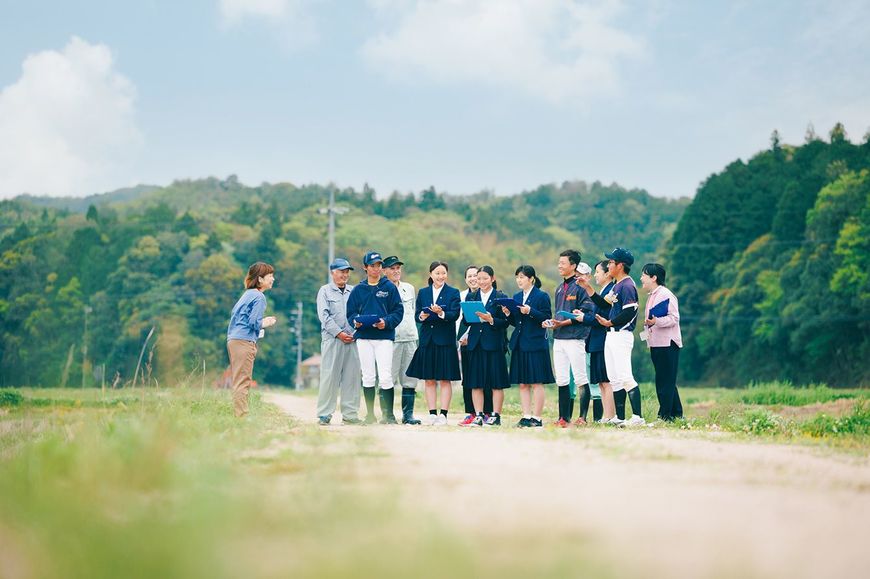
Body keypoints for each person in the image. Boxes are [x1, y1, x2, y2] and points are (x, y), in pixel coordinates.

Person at [346, 251, 404, 424]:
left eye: (379, 265)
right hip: (364, 337)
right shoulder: (358, 289)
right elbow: (350, 313)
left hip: (384, 337)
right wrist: (355, 322)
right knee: (368, 376)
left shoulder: (389, 287)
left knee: (385, 375)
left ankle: (389, 415)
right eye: (372, 265)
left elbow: (398, 311)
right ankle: (370, 415)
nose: (376, 268)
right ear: (365, 267)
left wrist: (385, 322)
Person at [592, 248, 644, 427]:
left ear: (620, 265)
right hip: (611, 335)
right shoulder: (617, 285)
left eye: (612, 262)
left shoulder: (628, 285)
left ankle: (637, 416)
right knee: (614, 379)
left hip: (621, 334)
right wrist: (588, 288)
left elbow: (630, 311)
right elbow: (602, 302)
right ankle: (619, 417)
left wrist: (610, 322)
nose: (609, 265)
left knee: (625, 376)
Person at [407, 261, 462, 425]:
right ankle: (432, 413)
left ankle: (443, 414)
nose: (441, 276)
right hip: (427, 339)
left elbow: (455, 314)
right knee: (429, 379)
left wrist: (441, 312)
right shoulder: (423, 292)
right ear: (431, 274)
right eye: (437, 273)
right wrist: (421, 317)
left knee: (445, 379)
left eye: (443, 273)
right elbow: (416, 314)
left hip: (445, 340)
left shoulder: (453, 292)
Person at [546, 250, 595, 427]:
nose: (559, 266)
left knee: (581, 377)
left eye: (563, 263)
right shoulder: (559, 288)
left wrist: (563, 322)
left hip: (575, 338)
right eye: (558, 263)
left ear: (573, 266)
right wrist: (553, 323)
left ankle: (582, 417)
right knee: (562, 379)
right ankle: (563, 418)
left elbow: (587, 313)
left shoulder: (581, 287)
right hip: (558, 338)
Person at [502, 265, 554, 428]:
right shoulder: (516, 296)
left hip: (536, 343)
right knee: (523, 382)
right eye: (517, 277)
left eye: (522, 277)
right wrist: (508, 314)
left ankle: (537, 418)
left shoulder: (541, 296)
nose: (519, 280)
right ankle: (526, 415)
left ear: (531, 278)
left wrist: (530, 310)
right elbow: (515, 322)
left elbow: (547, 317)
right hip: (519, 342)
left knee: (536, 382)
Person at [459, 265, 510, 426]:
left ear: (492, 279)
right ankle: (479, 414)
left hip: (494, 343)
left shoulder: (500, 297)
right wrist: (470, 314)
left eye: (485, 278)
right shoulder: (471, 297)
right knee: (476, 382)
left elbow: (506, 322)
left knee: (496, 382)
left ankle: (496, 415)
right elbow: (466, 321)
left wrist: (491, 319)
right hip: (476, 343)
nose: (481, 281)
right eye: (478, 278)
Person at [315, 258, 362, 426]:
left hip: (353, 339)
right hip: (333, 339)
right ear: (332, 272)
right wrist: (339, 333)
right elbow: (324, 317)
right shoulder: (325, 291)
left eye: (347, 271)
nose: (345, 274)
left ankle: (350, 414)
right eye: (341, 271)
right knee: (330, 376)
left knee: (352, 377)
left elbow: (360, 312)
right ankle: (324, 414)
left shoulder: (354, 291)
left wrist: (357, 332)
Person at [226, 262, 277, 418]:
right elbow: (253, 322)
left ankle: (240, 415)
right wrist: (266, 322)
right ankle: (241, 417)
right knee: (243, 381)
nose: (273, 279)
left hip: (234, 340)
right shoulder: (259, 297)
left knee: (239, 380)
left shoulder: (247, 294)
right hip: (243, 341)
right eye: (270, 276)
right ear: (260, 279)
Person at [576, 260, 618, 424]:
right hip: (595, 340)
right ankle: (606, 416)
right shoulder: (603, 291)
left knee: (606, 380)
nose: (595, 275)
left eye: (598, 272)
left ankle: (610, 416)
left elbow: (602, 318)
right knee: (601, 381)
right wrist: (582, 314)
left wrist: (583, 318)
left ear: (608, 273)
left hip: (602, 339)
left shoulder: (610, 291)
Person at [640, 263, 684, 421]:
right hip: (656, 343)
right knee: (666, 379)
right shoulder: (652, 295)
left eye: (644, 275)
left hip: (667, 343)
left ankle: (664, 416)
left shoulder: (666, 294)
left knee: (664, 381)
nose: (641, 279)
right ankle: (676, 414)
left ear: (654, 277)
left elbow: (674, 318)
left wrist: (656, 321)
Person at [384, 255, 421, 425]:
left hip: (410, 338)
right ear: (384, 271)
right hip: (391, 339)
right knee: (388, 378)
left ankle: (408, 415)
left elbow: (412, 311)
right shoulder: (381, 289)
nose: (396, 271)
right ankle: (388, 415)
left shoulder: (409, 288)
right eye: (392, 268)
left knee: (410, 379)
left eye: (398, 268)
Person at [457, 265, 493, 425]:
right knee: (469, 378)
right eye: (469, 276)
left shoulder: (487, 295)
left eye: (475, 276)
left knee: (485, 378)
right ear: (465, 279)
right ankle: (471, 412)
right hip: (464, 342)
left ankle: (486, 411)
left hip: (482, 340)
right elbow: (461, 321)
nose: (473, 279)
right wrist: (460, 339)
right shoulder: (463, 296)